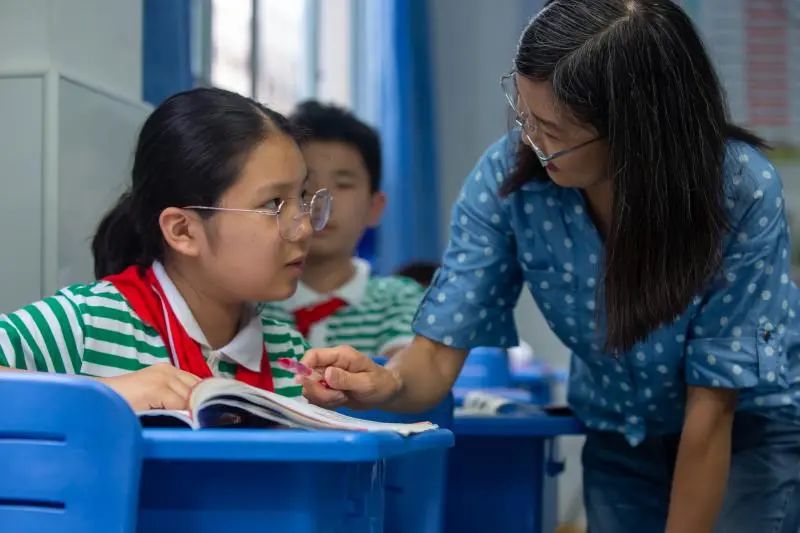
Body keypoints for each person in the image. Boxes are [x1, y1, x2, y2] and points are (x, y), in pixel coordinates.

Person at [299, 1, 800, 532]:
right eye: (524, 114)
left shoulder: (739, 188)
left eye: (554, 130)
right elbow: (434, 361)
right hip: (619, 429)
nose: (531, 142)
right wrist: (387, 383)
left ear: (636, 131)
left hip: (744, 426)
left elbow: (712, 411)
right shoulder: (507, 182)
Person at [0, 87, 331, 410]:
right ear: (183, 230)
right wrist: (105, 394)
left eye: (302, 198)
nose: (303, 227)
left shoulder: (288, 354)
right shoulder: (88, 325)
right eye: (273, 204)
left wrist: (383, 393)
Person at [260, 101, 424, 356]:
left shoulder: (397, 299)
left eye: (343, 184)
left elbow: (403, 376)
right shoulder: (255, 300)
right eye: (306, 186)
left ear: (374, 207)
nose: (321, 201)